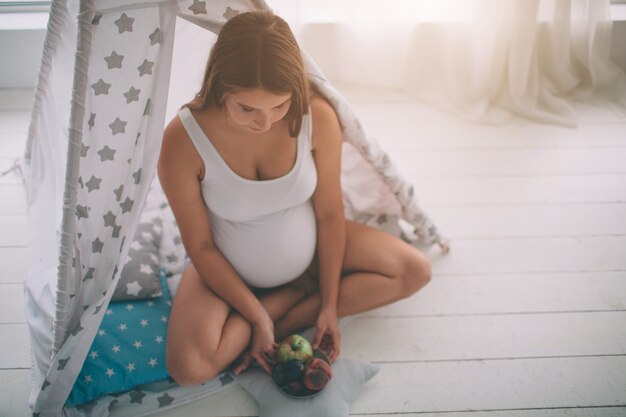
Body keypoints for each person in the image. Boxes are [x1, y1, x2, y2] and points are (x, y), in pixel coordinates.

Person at [157, 10, 431, 387]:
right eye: (247, 108)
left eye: (279, 106)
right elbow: (201, 246)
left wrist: (331, 308)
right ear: (220, 86)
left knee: (414, 270)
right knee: (189, 367)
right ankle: (276, 311)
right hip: (226, 268)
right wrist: (257, 315)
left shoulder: (316, 116)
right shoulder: (183, 140)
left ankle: (284, 309)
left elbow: (331, 216)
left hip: (312, 257)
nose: (264, 122)